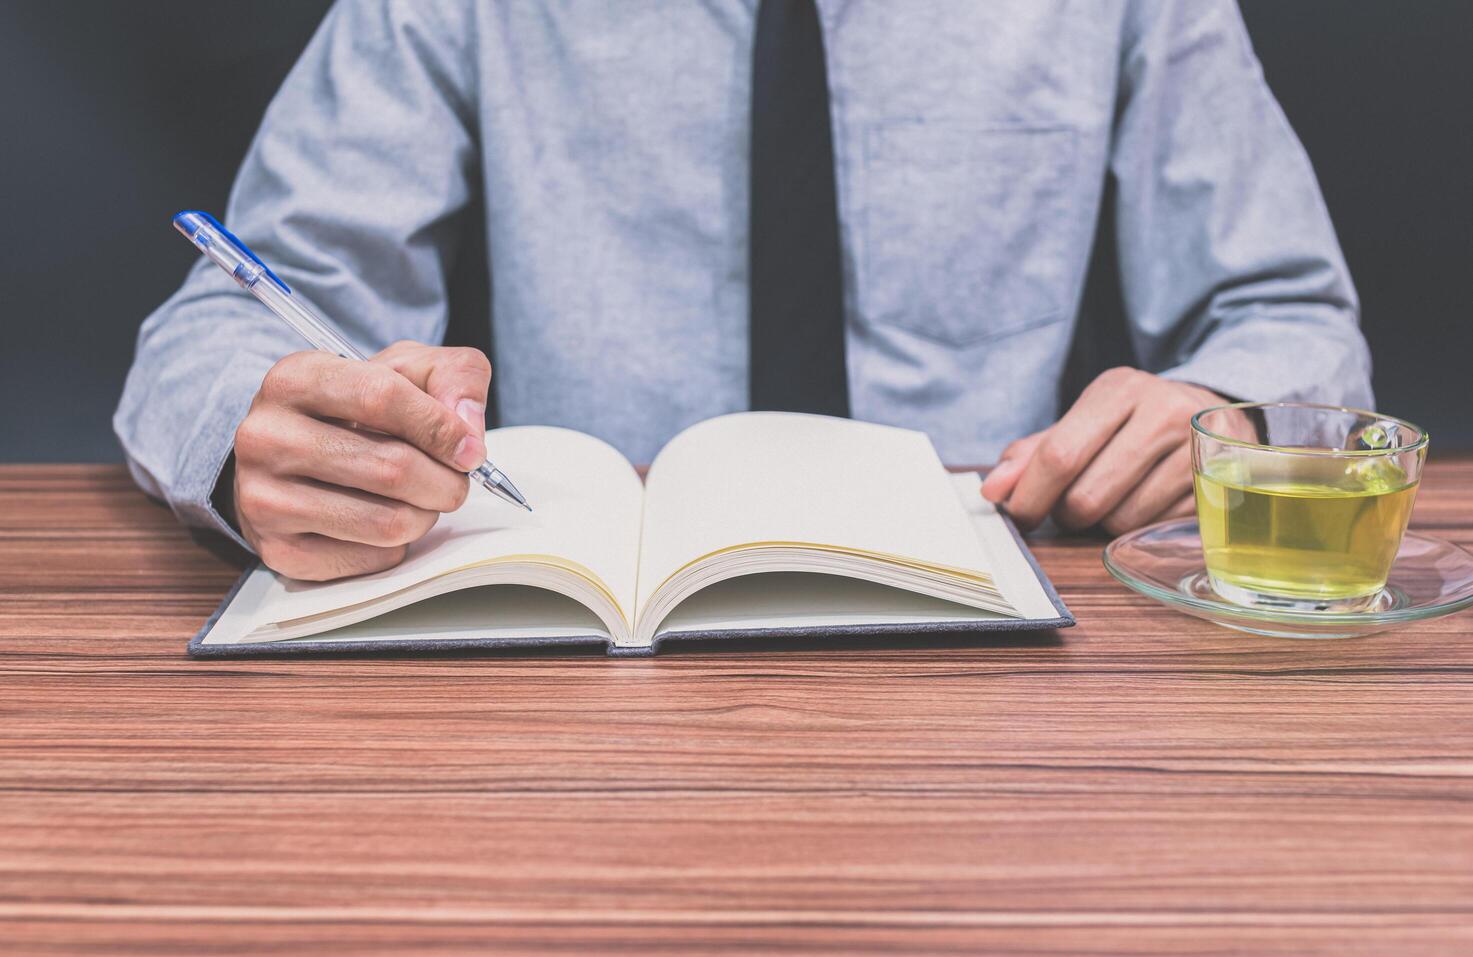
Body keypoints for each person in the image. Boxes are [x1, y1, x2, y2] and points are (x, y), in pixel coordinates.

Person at [115, 0, 1371, 582]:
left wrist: (1224, 407)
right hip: (585, 663)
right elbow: (223, 322)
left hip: (1008, 628)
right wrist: (255, 434)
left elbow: (1291, 315)